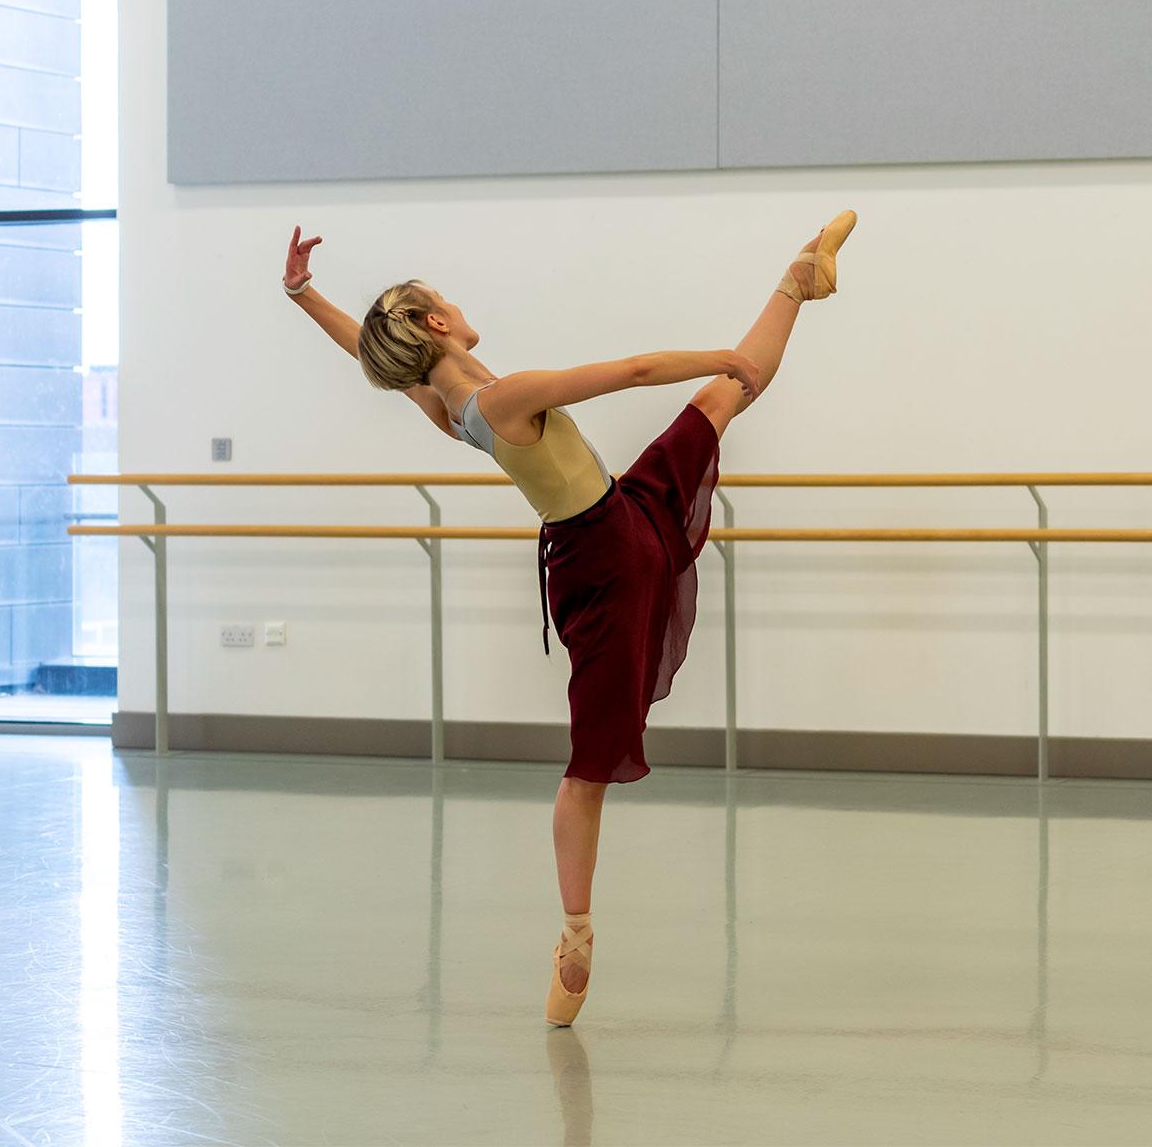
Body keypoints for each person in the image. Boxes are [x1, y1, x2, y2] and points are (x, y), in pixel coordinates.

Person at [282, 210, 858, 1025]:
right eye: (441, 297)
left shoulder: (452, 409)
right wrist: (722, 354)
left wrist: (304, 294)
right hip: (606, 563)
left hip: (617, 518)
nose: (454, 300)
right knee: (589, 766)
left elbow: (366, 352)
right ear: (435, 323)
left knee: (718, 404)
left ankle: (797, 279)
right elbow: (630, 370)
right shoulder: (501, 398)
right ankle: (576, 935)